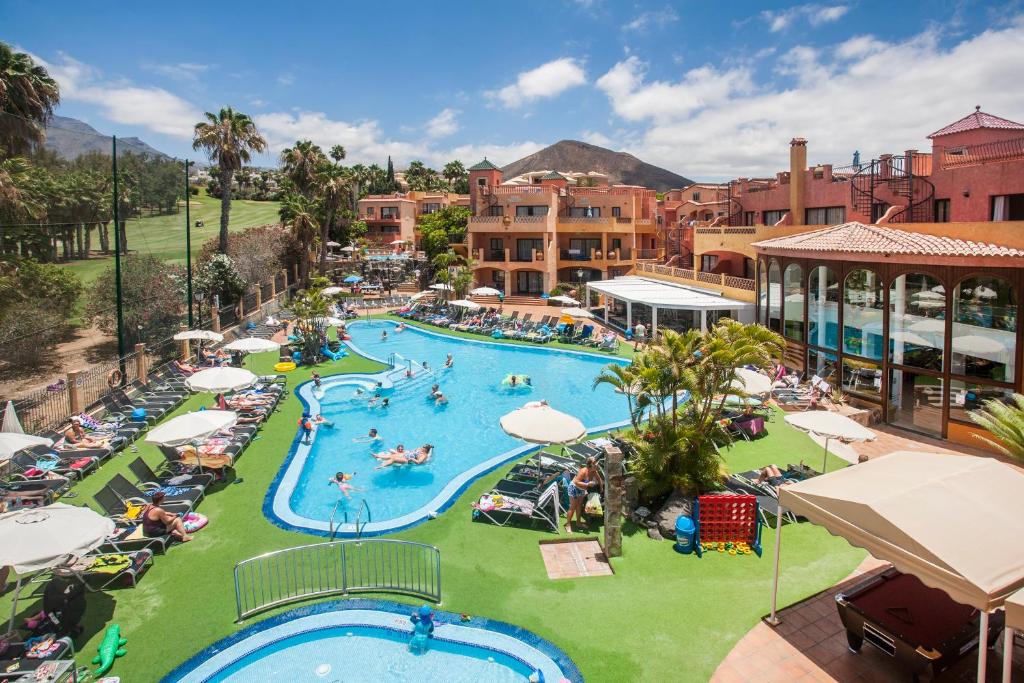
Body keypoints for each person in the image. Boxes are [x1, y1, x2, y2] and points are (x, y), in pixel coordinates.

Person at [565, 457, 602, 534]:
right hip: (574, 488)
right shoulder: (583, 471)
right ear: (590, 464)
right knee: (573, 507)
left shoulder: (594, 471)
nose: (596, 463)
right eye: (594, 462)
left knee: (579, 506)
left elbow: (599, 480)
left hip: (582, 490)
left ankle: (578, 523)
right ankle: (568, 525)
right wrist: (587, 484)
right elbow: (576, 482)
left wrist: (601, 489)